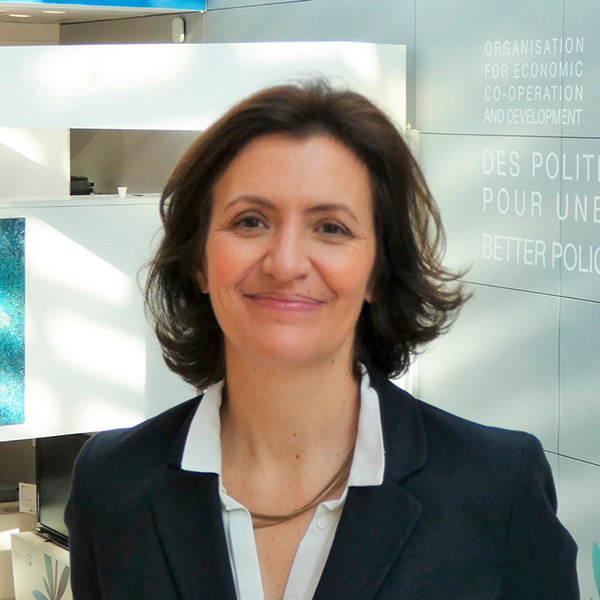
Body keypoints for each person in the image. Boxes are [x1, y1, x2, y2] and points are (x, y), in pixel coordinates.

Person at [65, 79, 579, 600]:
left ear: (378, 270)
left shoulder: (495, 486)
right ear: (198, 260)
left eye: (331, 228)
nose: (286, 263)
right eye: (251, 221)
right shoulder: (111, 485)